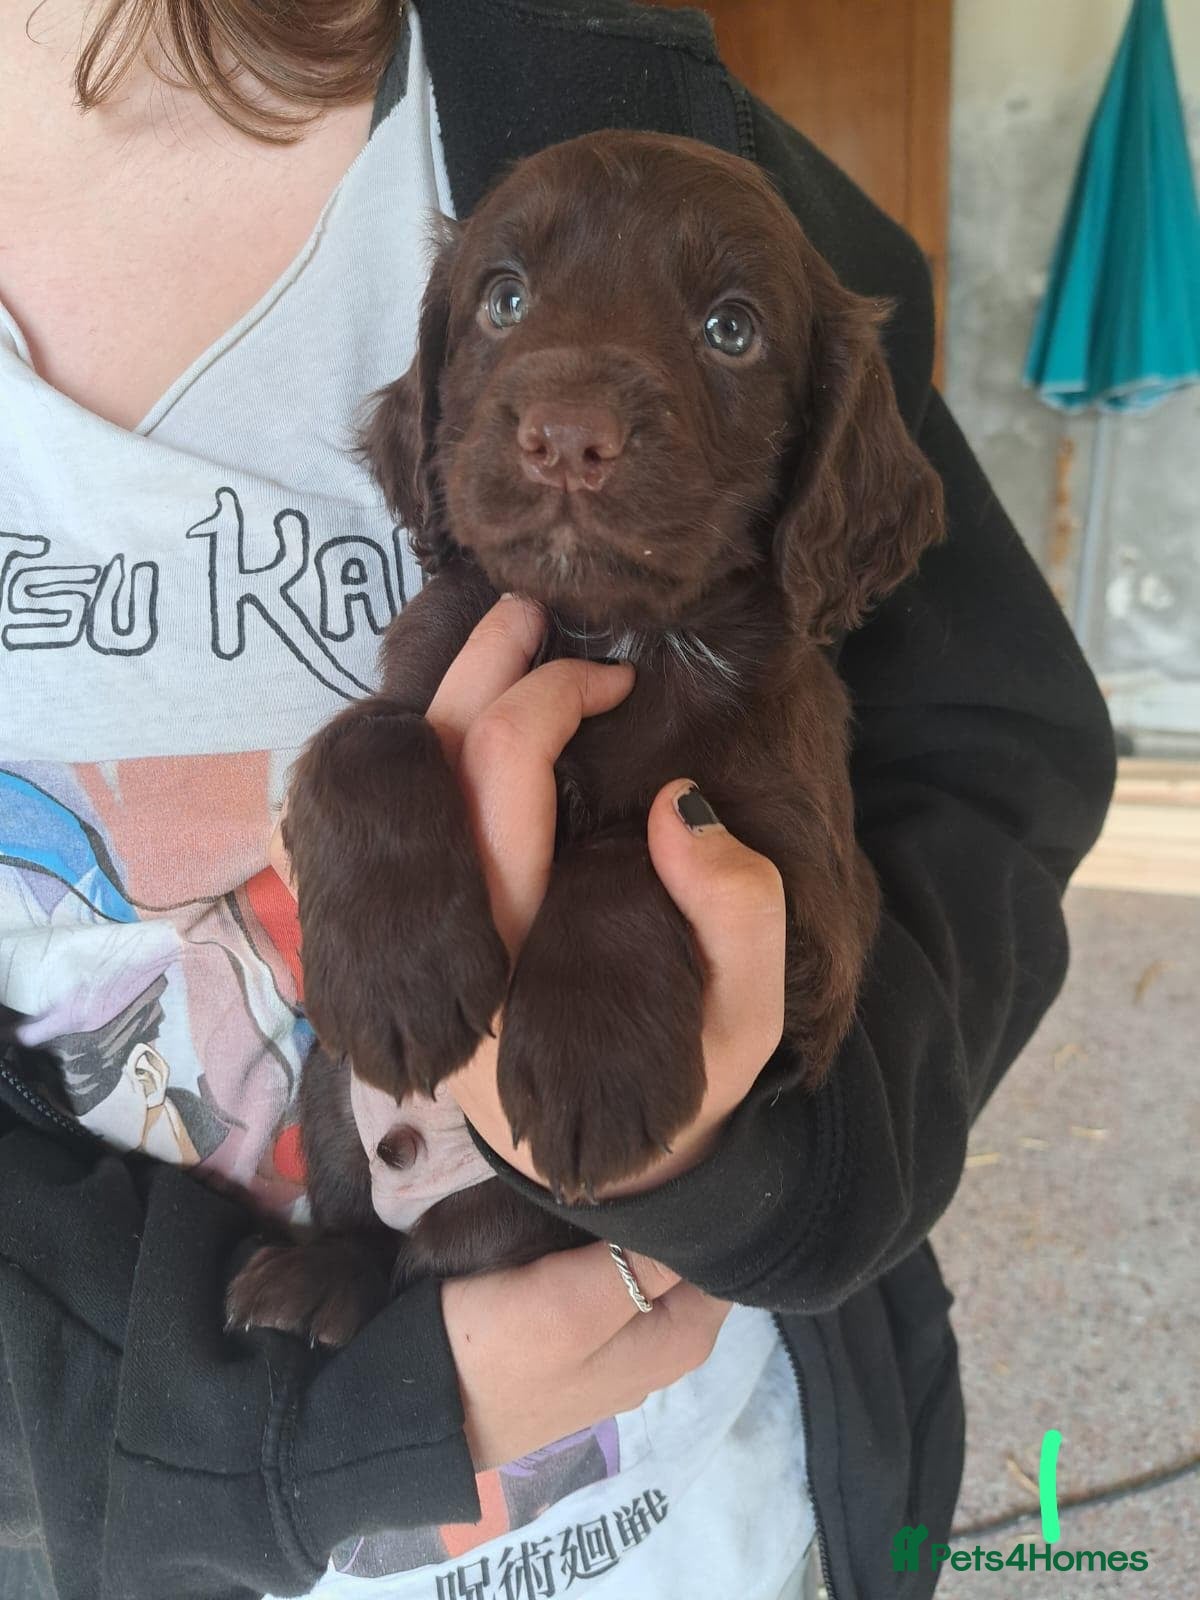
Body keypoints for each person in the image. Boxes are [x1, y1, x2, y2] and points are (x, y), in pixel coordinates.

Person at [0, 2, 1115, 1598]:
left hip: (716, 1496)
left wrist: (775, 1171)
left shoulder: (601, 79)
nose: (570, 418)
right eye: (508, 301)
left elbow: (993, 763)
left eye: (725, 333)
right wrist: (265, 1424)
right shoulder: (456, 569)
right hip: (158, 1503)